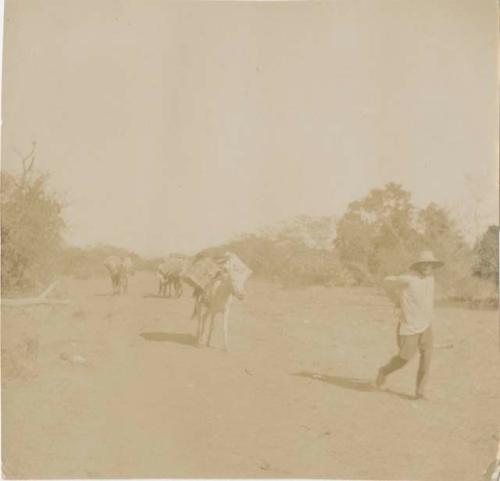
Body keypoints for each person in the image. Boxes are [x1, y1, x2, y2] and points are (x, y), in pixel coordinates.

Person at [375, 251, 444, 400]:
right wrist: (396, 300)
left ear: (433, 266)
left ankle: (420, 392)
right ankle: (384, 371)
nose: (427, 267)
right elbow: (386, 281)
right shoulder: (408, 279)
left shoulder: (431, 279)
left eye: (430, 264)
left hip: (426, 326)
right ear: (418, 266)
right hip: (409, 326)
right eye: (424, 264)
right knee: (404, 358)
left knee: (427, 358)